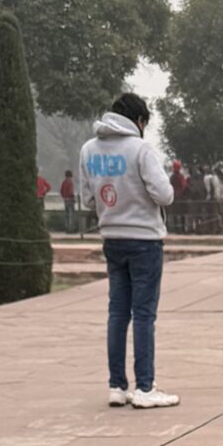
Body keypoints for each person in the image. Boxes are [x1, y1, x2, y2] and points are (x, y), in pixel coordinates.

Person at [80, 92, 178, 409]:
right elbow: (164, 195)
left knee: (117, 313)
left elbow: (88, 199)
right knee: (144, 314)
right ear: (139, 120)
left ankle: (117, 385)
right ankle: (145, 387)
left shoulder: (89, 150)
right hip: (144, 239)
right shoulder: (140, 149)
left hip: (112, 236)